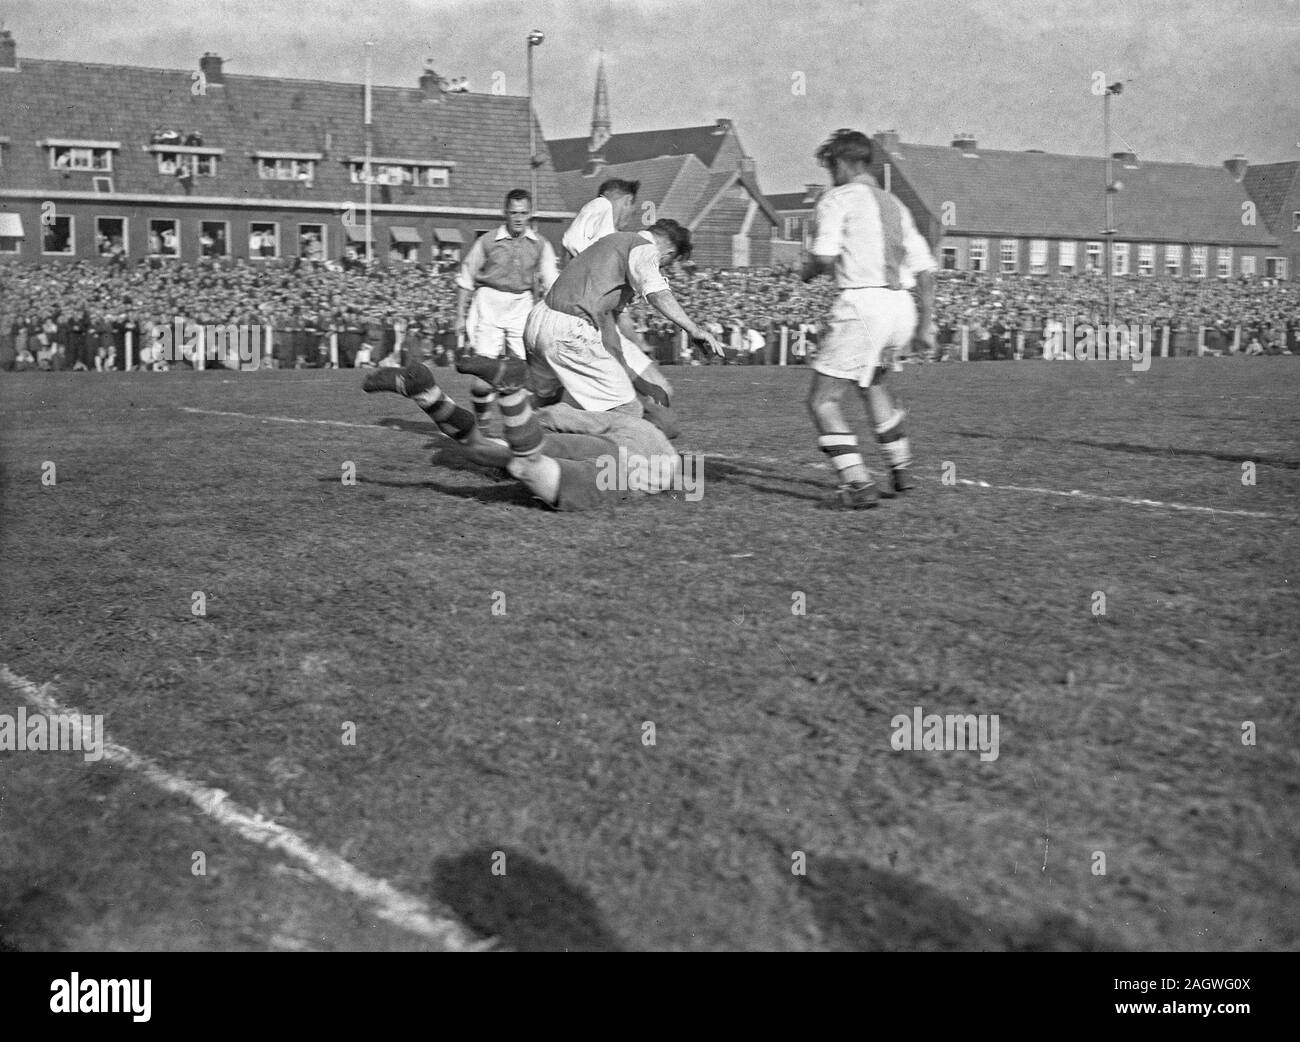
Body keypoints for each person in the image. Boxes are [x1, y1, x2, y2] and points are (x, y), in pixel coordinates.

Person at [800, 128, 936, 509]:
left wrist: (807, 272)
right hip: (901, 307)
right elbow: (926, 270)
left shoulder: (837, 199)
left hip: (863, 305)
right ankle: (901, 467)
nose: (831, 175)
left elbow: (824, 257)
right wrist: (926, 325)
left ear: (841, 163)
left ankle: (858, 484)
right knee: (872, 383)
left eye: (830, 167)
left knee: (822, 401)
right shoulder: (896, 204)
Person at [363, 359, 684, 510]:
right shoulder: (666, 454)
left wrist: (531, 424)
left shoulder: (628, 420)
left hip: (603, 448)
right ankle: (509, 390)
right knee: (524, 464)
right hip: (617, 472)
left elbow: (560, 415)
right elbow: (680, 486)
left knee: (482, 450)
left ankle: (425, 394)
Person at [514, 218, 723, 424]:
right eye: (667, 265)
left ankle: (518, 446)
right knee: (627, 412)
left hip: (538, 320)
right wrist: (693, 329)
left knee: (545, 403)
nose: (662, 269)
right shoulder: (646, 249)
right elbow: (659, 294)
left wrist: (636, 380)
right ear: (669, 254)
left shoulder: (611, 243)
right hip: (569, 328)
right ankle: (595, 454)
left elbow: (609, 334)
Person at [456, 189, 560, 431]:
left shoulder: (540, 244)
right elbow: (466, 278)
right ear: (505, 213)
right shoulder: (488, 241)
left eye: (523, 213)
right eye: (513, 212)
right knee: (484, 374)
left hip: (521, 304)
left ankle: (521, 428)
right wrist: (459, 316)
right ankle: (482, 426)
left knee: (524, 371)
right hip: (488, 303)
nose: (518, 218)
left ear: (530, 214)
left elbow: (552, 282)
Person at [561, 179, 640, 259]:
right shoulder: (600, 206)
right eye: (633, 212)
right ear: (628, 200)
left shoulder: (610, 230)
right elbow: (571, 242)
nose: (630, 219)